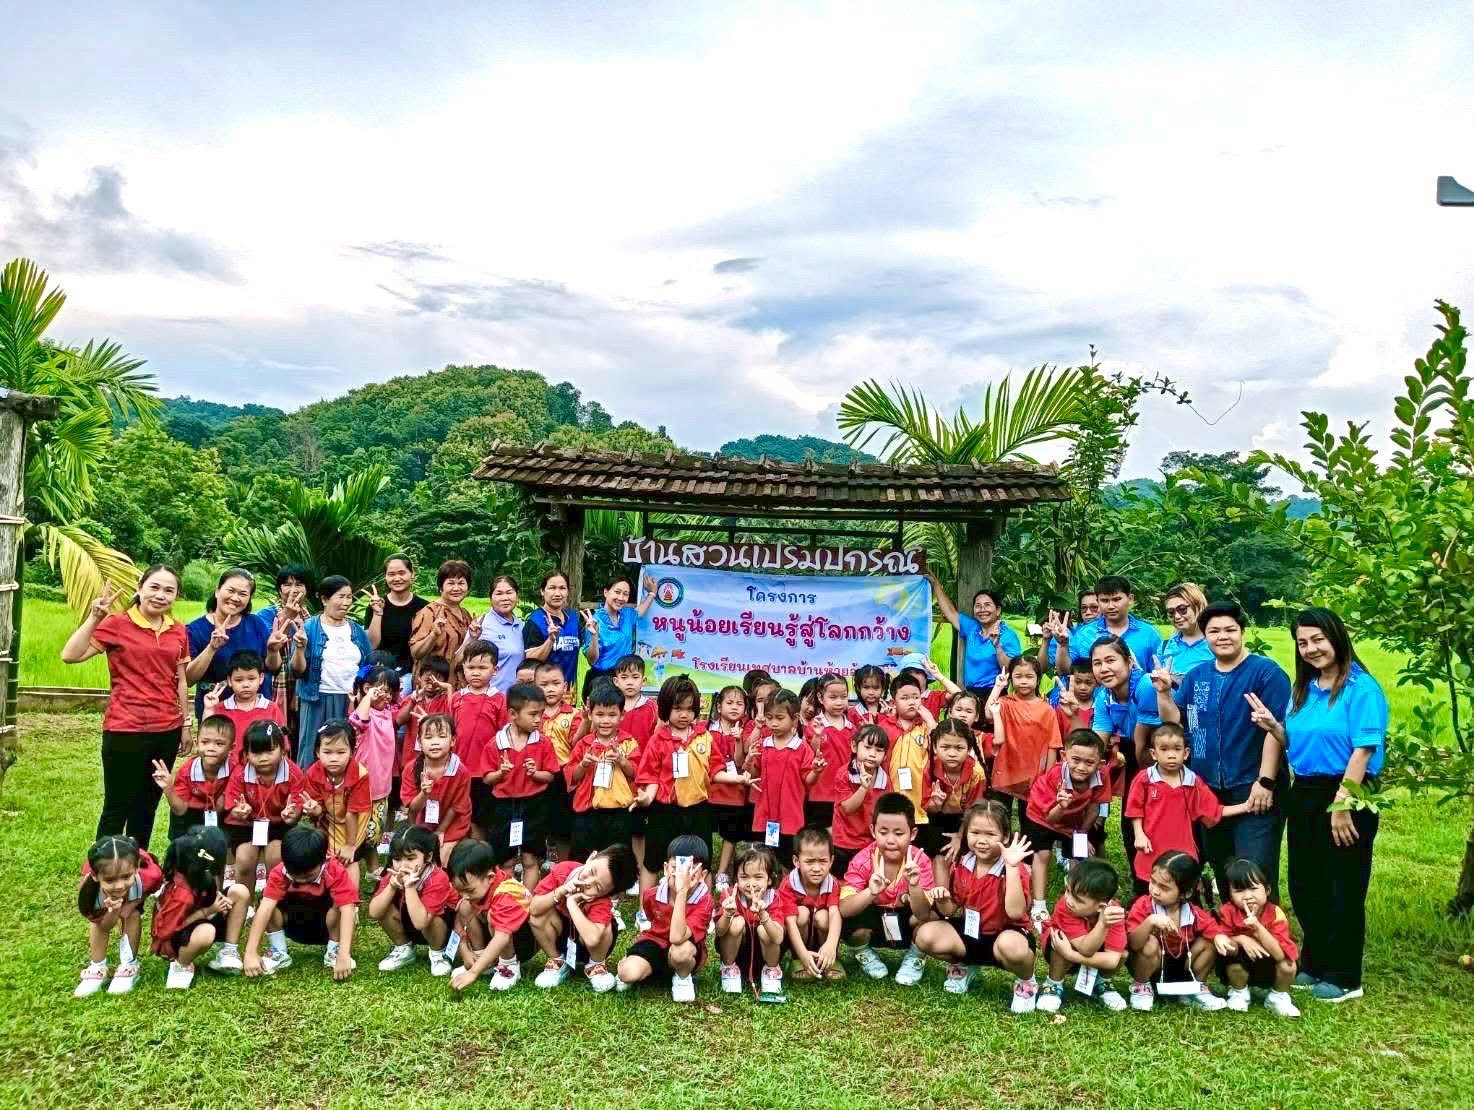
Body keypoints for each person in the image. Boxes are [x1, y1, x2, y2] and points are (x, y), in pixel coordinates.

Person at [1245, 606, 1388, 1003]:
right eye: (1303, 642)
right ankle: (1316, 962)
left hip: (1347, 790)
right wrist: (1275, 728)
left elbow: (1363, 750)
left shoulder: (1361, 689)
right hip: (1305, 791)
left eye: (1317, 640)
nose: (1310, 648)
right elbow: (1300, 743)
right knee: (1307, 883)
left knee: (1344, 884)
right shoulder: (1304, 689)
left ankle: (1345, 976)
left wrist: (1342, 804)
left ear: (1336, 638)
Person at [1152, 601, 1292, 901]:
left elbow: (1275, 729)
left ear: (1242, 632)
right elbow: (1175, 722)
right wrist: (1163, 693)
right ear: (1205, 635)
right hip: (1208, 789)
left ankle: (1266, 928)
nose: (1223, 636)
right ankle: (1232, 927)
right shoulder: (1197, 675)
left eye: (1230, 629)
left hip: (1253, 786)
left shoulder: (1266, 674)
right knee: (1222, 865)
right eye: (1214, 631)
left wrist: (1265, 781)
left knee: (1254, 870)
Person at [62, 565, 191, 849]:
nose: (160, 595)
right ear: (140, 588)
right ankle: (102, 868)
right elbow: (70, 655)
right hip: (125, 728)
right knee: (117, 805)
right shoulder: (117, 624)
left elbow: (180, 680)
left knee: (147, 805)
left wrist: (185, 724)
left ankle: (138, 865)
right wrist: (95, 618)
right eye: (154, 587)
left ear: (176, 596)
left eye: (169, 590)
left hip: (166, 729)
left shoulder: (178, 630)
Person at [914, 800, 1038, 1009]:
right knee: (925, 935)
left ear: (1005, 837)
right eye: (975, 833)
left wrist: (1012, 867)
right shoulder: (963, 863)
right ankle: (965, 966)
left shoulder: (1014, 867)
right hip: (972, 933)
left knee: (1012, 947)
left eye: (990, 834)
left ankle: (1026, 982)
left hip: (1006, 934)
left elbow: (1016, 912)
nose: (981, 840)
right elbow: (949, 910)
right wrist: (942, 899)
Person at [1124, 722, 1246, 896]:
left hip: (1183, 850)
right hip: (1151, 847)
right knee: (1151, 892)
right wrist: (1139, 835)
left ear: (1186, 753)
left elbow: (1214, 810)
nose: (1171, 755)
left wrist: (1246, 806)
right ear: (1154, 754)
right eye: (1164, 749)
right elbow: (1134, 809)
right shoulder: (1144, 779)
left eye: (1177, 749)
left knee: (1183, 893)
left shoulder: (1192, 781)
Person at [839, 793, 935, 985]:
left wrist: (914, 886)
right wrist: (871, 892)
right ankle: (863, 952)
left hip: (905, 921)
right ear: (873, 831)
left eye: (899, 834)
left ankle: (914, 957)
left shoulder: (920, 861)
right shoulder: (862, 860)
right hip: (875, 921)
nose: (890, 840)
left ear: (913, 834)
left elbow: (923, 914)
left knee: (931, 920)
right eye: (883, 832)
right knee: (847, 921)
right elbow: (844, 909)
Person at [243, 825, 360, 980]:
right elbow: (264, 909)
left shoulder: (335, 870)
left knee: (341, 905)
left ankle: (334, 951)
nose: (301, 880)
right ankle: (279, 951)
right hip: (292, 924)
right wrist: (250, 953)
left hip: (326, 927)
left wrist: (344, 954)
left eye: (308, 876)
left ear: (322, 860)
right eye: (295, 875)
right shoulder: (279, 872)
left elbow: (347, 909)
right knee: (264, 903)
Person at [633, 676, 713, 891]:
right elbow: (651, 776)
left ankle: (705, 906)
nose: (684, 714)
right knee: (653, 860)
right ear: (666, 708)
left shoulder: (704, 736)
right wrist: (647, 798)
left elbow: (715, 768)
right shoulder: (657, 740)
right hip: (665, 810)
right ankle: (645, 906)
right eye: (677, 708)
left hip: (698, 808)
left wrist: (739, 778)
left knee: (703, 860)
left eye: (689, 709)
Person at [1023, 730, 1111, 922]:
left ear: (1100, 764)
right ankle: (1039, 906)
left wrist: (1081, 835)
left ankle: (1073, 900)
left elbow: (1094, 808)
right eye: (1076, 760)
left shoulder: (1103, 775)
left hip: (1073, 820)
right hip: (1042, 815)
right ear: (1064, 756)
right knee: (1043, 854)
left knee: (1079, 855)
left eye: (1089, 763)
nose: (1081, 767)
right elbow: (1050, 818)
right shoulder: (1055, 776)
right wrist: (1062, 806)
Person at [615, 834, 714, 1003]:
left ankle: (682, 977)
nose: (681, 875)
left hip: (684, 948)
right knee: (627, 974)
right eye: (676, 868)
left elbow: (677, 937)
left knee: (680, 951)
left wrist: (682, 892)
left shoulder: (705, 902)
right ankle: (648, 966)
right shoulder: (651, 894)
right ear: (666, 868)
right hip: (656, 941)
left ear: (702, 875)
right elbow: (651, 918)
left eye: (689, 870)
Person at [150, 825, 251, 989]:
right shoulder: (182, 894)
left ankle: (229, 951)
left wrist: (217, 899)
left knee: (240, 892)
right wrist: (207, 911)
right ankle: (181, 965)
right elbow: (166, 931)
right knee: (206, 932)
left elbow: (206, 893)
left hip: (199, 915)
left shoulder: (199, 872)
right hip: (174, 937)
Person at [1125, 849, 1226, 1011]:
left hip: (1184, 970)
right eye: (1153, 882)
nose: (1155, 890)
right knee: (1149, 943)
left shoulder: (1192, 912)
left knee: (1210, 940)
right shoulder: (1143, 906)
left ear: (1185, 893)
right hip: (1152, 969)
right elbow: (1133, 944)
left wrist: (1219, 937)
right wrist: (1150, 922)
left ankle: (1196, 989)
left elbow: (1212, 927)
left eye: (1164, 888)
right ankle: (1141, 987)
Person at [1090, 635, 1160, 864]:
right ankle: (1141, 881)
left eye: (1110, 660)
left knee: (1157, 820)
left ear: (1129, 662)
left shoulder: (1146, 686)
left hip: (1160, 753)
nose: (1103, 669)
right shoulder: (1104, 696)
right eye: (1097, 663)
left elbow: (1145, 743)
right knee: (1130, 821)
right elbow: (1097, 742)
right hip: (1135, 751)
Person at [484, 682, 561, 890]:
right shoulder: (496, 744)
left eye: (541, 713)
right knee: (505, 859)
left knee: (530, 858)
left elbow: (550, 776)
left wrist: (535, 773)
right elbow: (487, 779)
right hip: (504, 805)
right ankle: (507, 898)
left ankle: (528, 899)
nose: (538, 719)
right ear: (512, 714)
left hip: (534, 804)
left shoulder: (543, 743)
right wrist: (501, 773)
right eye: (533, 714)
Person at [530, 845, 638, 992]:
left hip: (589, 946)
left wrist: (572, 903)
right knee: (540, 914)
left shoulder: (602, 900)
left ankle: (596, 966)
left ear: (608, 893)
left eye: (597, 887)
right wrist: (561, 891)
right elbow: (534, 909)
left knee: (605, 927)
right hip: (561, 935)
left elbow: (592, 939)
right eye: (592, 871)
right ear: (591, 857)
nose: (588, 882)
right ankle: (557, 961)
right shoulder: (563, 870)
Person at [292, 575, 372, 768]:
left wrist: (362, 691)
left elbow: (368, 665)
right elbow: (297, 671)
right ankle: (308, 787)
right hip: (317, 700)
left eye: (349, 597)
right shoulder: (309, 628)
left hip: (350, 702)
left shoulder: (356, 630)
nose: (346, 602)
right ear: (325, 599)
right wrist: (300, 649)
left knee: (348, 751)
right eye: (340, 596)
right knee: (312, 751)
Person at [185, 569, 285, 721]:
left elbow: (273, 667)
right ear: (217, 591)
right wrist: (212, 648)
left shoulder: (255, 623)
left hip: (256, 711)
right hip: (215, 712)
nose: (235, 598)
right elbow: (188, 679)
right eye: (230, 591)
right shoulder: (195, 629)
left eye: (243, 594)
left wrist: (272, 651)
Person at [73, 835, 163, 997]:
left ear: (136, 868)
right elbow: (103, 926)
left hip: (137, 890)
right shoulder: (89, 892)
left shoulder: (150, 876)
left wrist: (132, 904)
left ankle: (129, 965)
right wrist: (114, 911)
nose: (119, 885)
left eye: (126, 877)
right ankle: (97, 966)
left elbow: (154, 888)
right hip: (103, 903)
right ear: (95, 876)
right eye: (110, 880)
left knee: (132, 915)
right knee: (98, 924)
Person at [1037, 856, 1128, 1013]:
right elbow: (1085, 949)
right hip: (1064, 950)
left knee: (1123, 953)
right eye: (1068, 891)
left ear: (1101, 907)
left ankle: (1102, 982)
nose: (1068, 900)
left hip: (1078, 953)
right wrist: (1068, 953)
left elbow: (1113, 960)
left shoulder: (1113, 914)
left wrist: (1071, 955)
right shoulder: (1065, 907)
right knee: (1059, 940)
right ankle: (1053, 984)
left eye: (1078, 900)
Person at [223, 721, 304, 895]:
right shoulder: (240, 773)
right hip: (247, 824)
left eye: (269, 751)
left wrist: (292, 814)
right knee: (244, 859)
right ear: (246, 754)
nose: (263, 758)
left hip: (279, 824)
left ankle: (274, 900)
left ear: (283, 750)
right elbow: (232, 804)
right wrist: (238, 811)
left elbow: (297, 806)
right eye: (256, 752)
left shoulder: (293, 773)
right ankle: (244, 902)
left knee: (276, 858)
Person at [1214, 857, 1300, 1016]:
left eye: (1253, 888)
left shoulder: (1275, 913)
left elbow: (1280, 954)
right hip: (1240, 961)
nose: (1247, 896)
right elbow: (1223, 944)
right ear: (1230, 895)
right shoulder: (1227, 911)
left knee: (1288, 965)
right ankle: (1239, 992)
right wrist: (1242, 939)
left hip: (1269, 961)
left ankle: (1278, 997)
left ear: (1267, 890)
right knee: (1232, 961)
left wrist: (1258, 928)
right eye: (1239, 891)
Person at [368, 825, 458, 976]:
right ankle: (404, 948)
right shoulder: (392, 875)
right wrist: (391, 887)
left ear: (428, 857)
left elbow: (421, 922)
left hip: (440, 929)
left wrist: (409, 887)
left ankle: (438, 953)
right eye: (397, 859)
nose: (403, 865)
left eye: (410, 858)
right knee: (384, 904)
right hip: (412, 921)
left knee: (433, 916)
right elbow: (374, 913)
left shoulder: (437, 877)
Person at [448, 838, 536, 991]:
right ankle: (483, 959)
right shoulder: (476, 888)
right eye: (459, 890)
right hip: (497, 937)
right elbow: (460, 917)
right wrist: (464, 947)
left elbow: (503, 936)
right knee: (465, 906)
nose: (464, 895)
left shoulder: (506, 892)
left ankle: (508, 966)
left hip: (523, 942)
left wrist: (473, 973)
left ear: (490, 878)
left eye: (469, 890)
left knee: (492, 916)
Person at [565, 682, 639, 859]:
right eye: (599, 714)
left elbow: (635, 773)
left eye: (612, 715)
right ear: (590, 714)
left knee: (616, 858)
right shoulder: (584, 744)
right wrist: (583, 764)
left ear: (622, 715)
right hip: (587, 811)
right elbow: (572, 777)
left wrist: (622, 760)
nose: (605, 720)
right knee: (583, 857)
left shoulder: (628, 742)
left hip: (619, 811)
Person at [748, 689, 819, 865]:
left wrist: (816, 771)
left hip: (790, 815)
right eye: (769, 717)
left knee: (788, 860)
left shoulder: (802, 748)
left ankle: (787, 882)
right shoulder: (763, 745)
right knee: (765, 858)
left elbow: (808, 780)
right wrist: (749, 761)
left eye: (780, 718)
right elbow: (754, 775)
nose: (773, 723)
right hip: (765, 814)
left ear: (794, 719)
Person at [986, 656, 1063, 813]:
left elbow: (1053, 745)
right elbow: (988, 713)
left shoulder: (1047, 710)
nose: (1023, 681)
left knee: (1030, 818)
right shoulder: (1006, 703)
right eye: (1018, 676)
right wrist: (998, 687)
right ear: (1011, 679)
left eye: (1029, 677)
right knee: (998, 815)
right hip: (1006, 770)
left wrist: (1047, 778)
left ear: (1038, 679)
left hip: (1033, 775)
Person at [300, 719, 372, 884]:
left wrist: (350, 845)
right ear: (317, 752)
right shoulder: (313, 773)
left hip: (356, 819)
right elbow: (318, 809)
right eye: (327, 752)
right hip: (330, 819)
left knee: (348, 858)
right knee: (326, 856)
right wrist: (315, 809)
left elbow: (353, 812)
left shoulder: (360, 774)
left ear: (352, 751)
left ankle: (351, 896)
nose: (334, 758)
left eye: (341, 752)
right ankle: (326, 889)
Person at [927, 573, 1022, 694]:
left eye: (987, 605)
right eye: (978, 606)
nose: (982, 610)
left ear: (998, 610)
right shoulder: (972, 628)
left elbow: (1012, 669)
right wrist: (936, 584)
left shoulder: (1008, 635)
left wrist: (998, 647)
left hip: (995, 692)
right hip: (971, 694)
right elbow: (951, 613)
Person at [400, 712, 472, 865]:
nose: (435, 742)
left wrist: (441, 831)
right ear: (419, 742)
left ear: (452, 740)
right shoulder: (411, 769)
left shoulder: (461, 771)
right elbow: (412, 808)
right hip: (420, 823)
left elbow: (456, 807)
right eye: (428, 737)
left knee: (441, 859)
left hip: (451, 824)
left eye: (441, 736)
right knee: (417, 860)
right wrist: (424, 794)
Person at [714, 844, 786, 995]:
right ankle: (729, 969)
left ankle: (771, 971)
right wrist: (727, 914)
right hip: (736, 952)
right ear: (736, 878)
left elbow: (778, 937)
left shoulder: (775, 898)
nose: (751, 884)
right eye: (744, 877)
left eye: (758, 877)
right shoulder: (729, 895)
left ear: (770, 879)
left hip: (766, 954)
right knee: (737, 922)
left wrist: (763, 915)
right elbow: (720, 932)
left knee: (764, 929)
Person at [707, 685, 759, 886]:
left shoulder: (746, 731)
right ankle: (705, 868)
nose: (735, 707)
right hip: (710, 791)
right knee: (706, 832)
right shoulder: (706, 728)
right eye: (729, 703)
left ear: (745, 709)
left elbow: (738, 762)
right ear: (719, 707)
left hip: (734, 794)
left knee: (730, 835)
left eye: (739, 704)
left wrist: (737, 739)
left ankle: (722, 872)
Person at [155, 714, 234, 840]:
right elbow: (180, 810)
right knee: (184, 844)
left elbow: (223, 805)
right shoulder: (186, 771)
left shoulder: (234, 770)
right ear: (197, 744)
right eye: (205, 742)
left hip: (220, 812)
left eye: (219, 744)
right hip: (189, 813)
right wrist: (169, 789)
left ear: (231, 748)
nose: (211, 748)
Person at [780, 826, 844, 980]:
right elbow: (790, 922)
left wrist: (831, 944)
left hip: (823, 939)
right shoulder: (788, 884)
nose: (816, 868)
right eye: (809, 862)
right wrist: (802, 953)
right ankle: (798, 959)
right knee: (801, 914)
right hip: (799, 940)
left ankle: (828, 959)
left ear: (831, 861)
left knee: (823, 916)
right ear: (796, 861)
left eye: (822, 861)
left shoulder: (832, 883)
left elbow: (835, 913)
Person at [580, 573, 658, 700]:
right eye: (617, 592)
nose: (621, 597)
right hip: (601, 683)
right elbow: (592, 660)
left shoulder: (626, 615)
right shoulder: (595, 621)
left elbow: (640, 611)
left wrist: (652, 593)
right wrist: (594, 635)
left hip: (623, 681)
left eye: (625, 594)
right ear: (606, 592)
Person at [922, 718, 987, 864]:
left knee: (964, 853)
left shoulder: (976, 773)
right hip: (937, 817)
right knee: (939, 853)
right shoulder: (929, 768)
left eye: (959, 748)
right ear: (935, 747)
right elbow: (927, 808)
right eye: (945, 747)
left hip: (967, 819)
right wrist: (936, 804)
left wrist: (959, 837)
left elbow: (974, 811)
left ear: (968, 749)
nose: (952, 753)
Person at [831, 725, 892, 878]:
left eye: (879, 750)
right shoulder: (844, 774)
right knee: (843, 883)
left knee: (867, 882)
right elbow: (847, 808)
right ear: (854, 746)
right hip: (844, 843)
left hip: (870, 844)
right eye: (867, 747)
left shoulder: (885, 779)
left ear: (885, 756)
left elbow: (885, 813)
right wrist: (863, 788)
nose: (872, 754)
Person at [1067, 575, 1163, 670]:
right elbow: (1067, 669)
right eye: (1104, 601)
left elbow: (1158, 671)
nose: (1111, 606)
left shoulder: (1149, 634)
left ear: (1130, 599)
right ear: (1098, 601)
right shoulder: (1084, 634)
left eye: (1116, 599)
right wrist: (1063, 645)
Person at [205, 651, 286, 762]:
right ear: (229, 681)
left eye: (251, 679)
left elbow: (282, 742)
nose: (246, 685)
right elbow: (207, 736)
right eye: (239, 680)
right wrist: (209, 709)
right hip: (228, 768)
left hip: (262, 767)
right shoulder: (220, 709)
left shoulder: (271, 708)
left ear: (261, 678)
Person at [878, 672, 933, 837]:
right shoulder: (884, 727)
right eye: (905, 698)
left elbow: (939, 746)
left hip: (921, 802)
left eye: (916, 697)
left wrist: (930, 719)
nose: (911, 702)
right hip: (890, 796)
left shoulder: (926, 727)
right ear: (893, 702)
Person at [409, 560, 475, 687]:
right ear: (440, 587)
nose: (456, 588)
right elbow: (416, 653)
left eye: (461, 583)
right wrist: (433, 634)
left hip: (458, 685)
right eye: (451, 583)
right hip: (433, 685)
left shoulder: (465, 614)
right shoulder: (429, 613)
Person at [364, 553, 428, 681]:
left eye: (401, 573)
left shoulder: (424, 607)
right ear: (386, 577)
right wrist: (377, 613)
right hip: (378, 670)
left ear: (412, 574)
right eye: (391, 574)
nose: (397, 578)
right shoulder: (375, 606)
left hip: (409, 673)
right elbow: (371, 646)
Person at [804, 673, 855, 831]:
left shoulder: (853, 728)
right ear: (821, 698)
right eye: (833, 697)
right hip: (820, 793)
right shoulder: (814, 725)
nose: (839, 702)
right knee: (821, 836)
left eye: (843, 697)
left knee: (842, 834)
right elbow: (813, 751)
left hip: (845, 794)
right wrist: (818, 735)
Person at [521, 570, 585, 691]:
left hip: (569, 691)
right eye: (552, 588)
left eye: (562, 588)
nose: (557, 593)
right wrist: (550, 640)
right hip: (544, 692)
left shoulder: (573, 618)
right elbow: (529, 659)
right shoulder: (535, 621)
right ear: (542, 591)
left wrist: (593, 635)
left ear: (568, 592)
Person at [468, 574, 525, 692]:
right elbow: (461, 660)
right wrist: (472, 639)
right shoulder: (481, 624)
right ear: (490, 598)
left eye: (509, 592)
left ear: (517, 596)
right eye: (499, 594)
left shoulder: (521, 626)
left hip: (518, 697)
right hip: (489, 697)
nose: (505, 598)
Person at [1038, 589, 1100, 675]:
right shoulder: (1064, 633)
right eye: (1084, 608)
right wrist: (1046, 640)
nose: (1088, 612)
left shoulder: (1107, 630)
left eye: (1094, 607)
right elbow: (1041, 668)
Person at [1158, 582, 1213, 680]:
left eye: (1182, 609)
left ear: (1198, 606)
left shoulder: (1215, 643)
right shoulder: (1165, 646)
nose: (1177, 616)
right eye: (1171, 612)